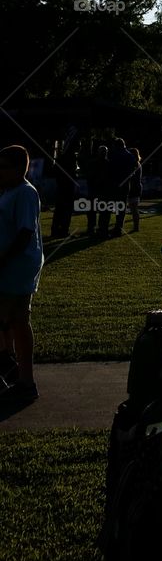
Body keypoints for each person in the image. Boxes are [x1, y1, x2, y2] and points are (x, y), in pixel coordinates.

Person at [0, 145, 44, 405]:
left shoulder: (26, 193)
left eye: (3, 166)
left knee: (17, 318)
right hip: (9, 265)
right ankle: (13, 368)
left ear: (19, 168)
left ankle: (21, 375)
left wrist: (3, 260)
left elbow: (25, 232)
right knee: (13, 319)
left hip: (16, 266)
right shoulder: (9, 191)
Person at [84, 145, 108, 236]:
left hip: (95, 190)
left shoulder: (93, 163)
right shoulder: (107, 164)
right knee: (102, 212)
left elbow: (89, 177)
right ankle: (100, 229)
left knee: (92, 212)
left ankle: (92, 228)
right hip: (101, 191)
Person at [126, 148, 143, 233]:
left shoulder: (134, 164)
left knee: (134, 208)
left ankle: (136, 227)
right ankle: (136, 227)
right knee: (134, 208)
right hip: (137, 187)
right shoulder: (138, 164)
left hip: (133, 188)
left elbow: (131, 177)